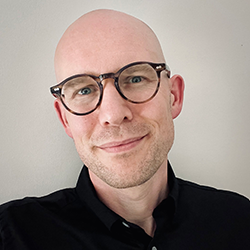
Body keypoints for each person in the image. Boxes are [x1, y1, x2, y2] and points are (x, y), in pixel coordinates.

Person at [0, 9, 249, 250]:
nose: (114, 114)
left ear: (174, 96)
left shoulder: (239, 223)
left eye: (135, 78)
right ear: (65, 119)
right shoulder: (11, 235)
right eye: (84, 90)